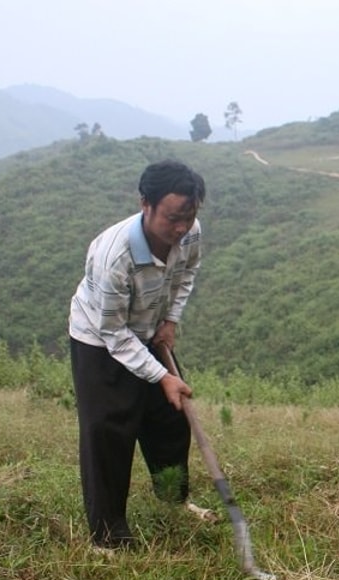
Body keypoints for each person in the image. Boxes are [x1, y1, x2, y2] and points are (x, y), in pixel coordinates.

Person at [68, 158, 212, 551]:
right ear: (144, 204)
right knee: (110, 432)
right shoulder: (115, 256)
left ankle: (174, 501)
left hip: (150, 327)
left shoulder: (189, 233)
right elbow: (113, 333)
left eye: (189, 215)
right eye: (172, 217)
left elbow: (185, 275)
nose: (181, 227)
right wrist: (161, 375)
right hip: (99, 339)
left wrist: (171, 320)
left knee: (170, 419)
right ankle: (108, 537)